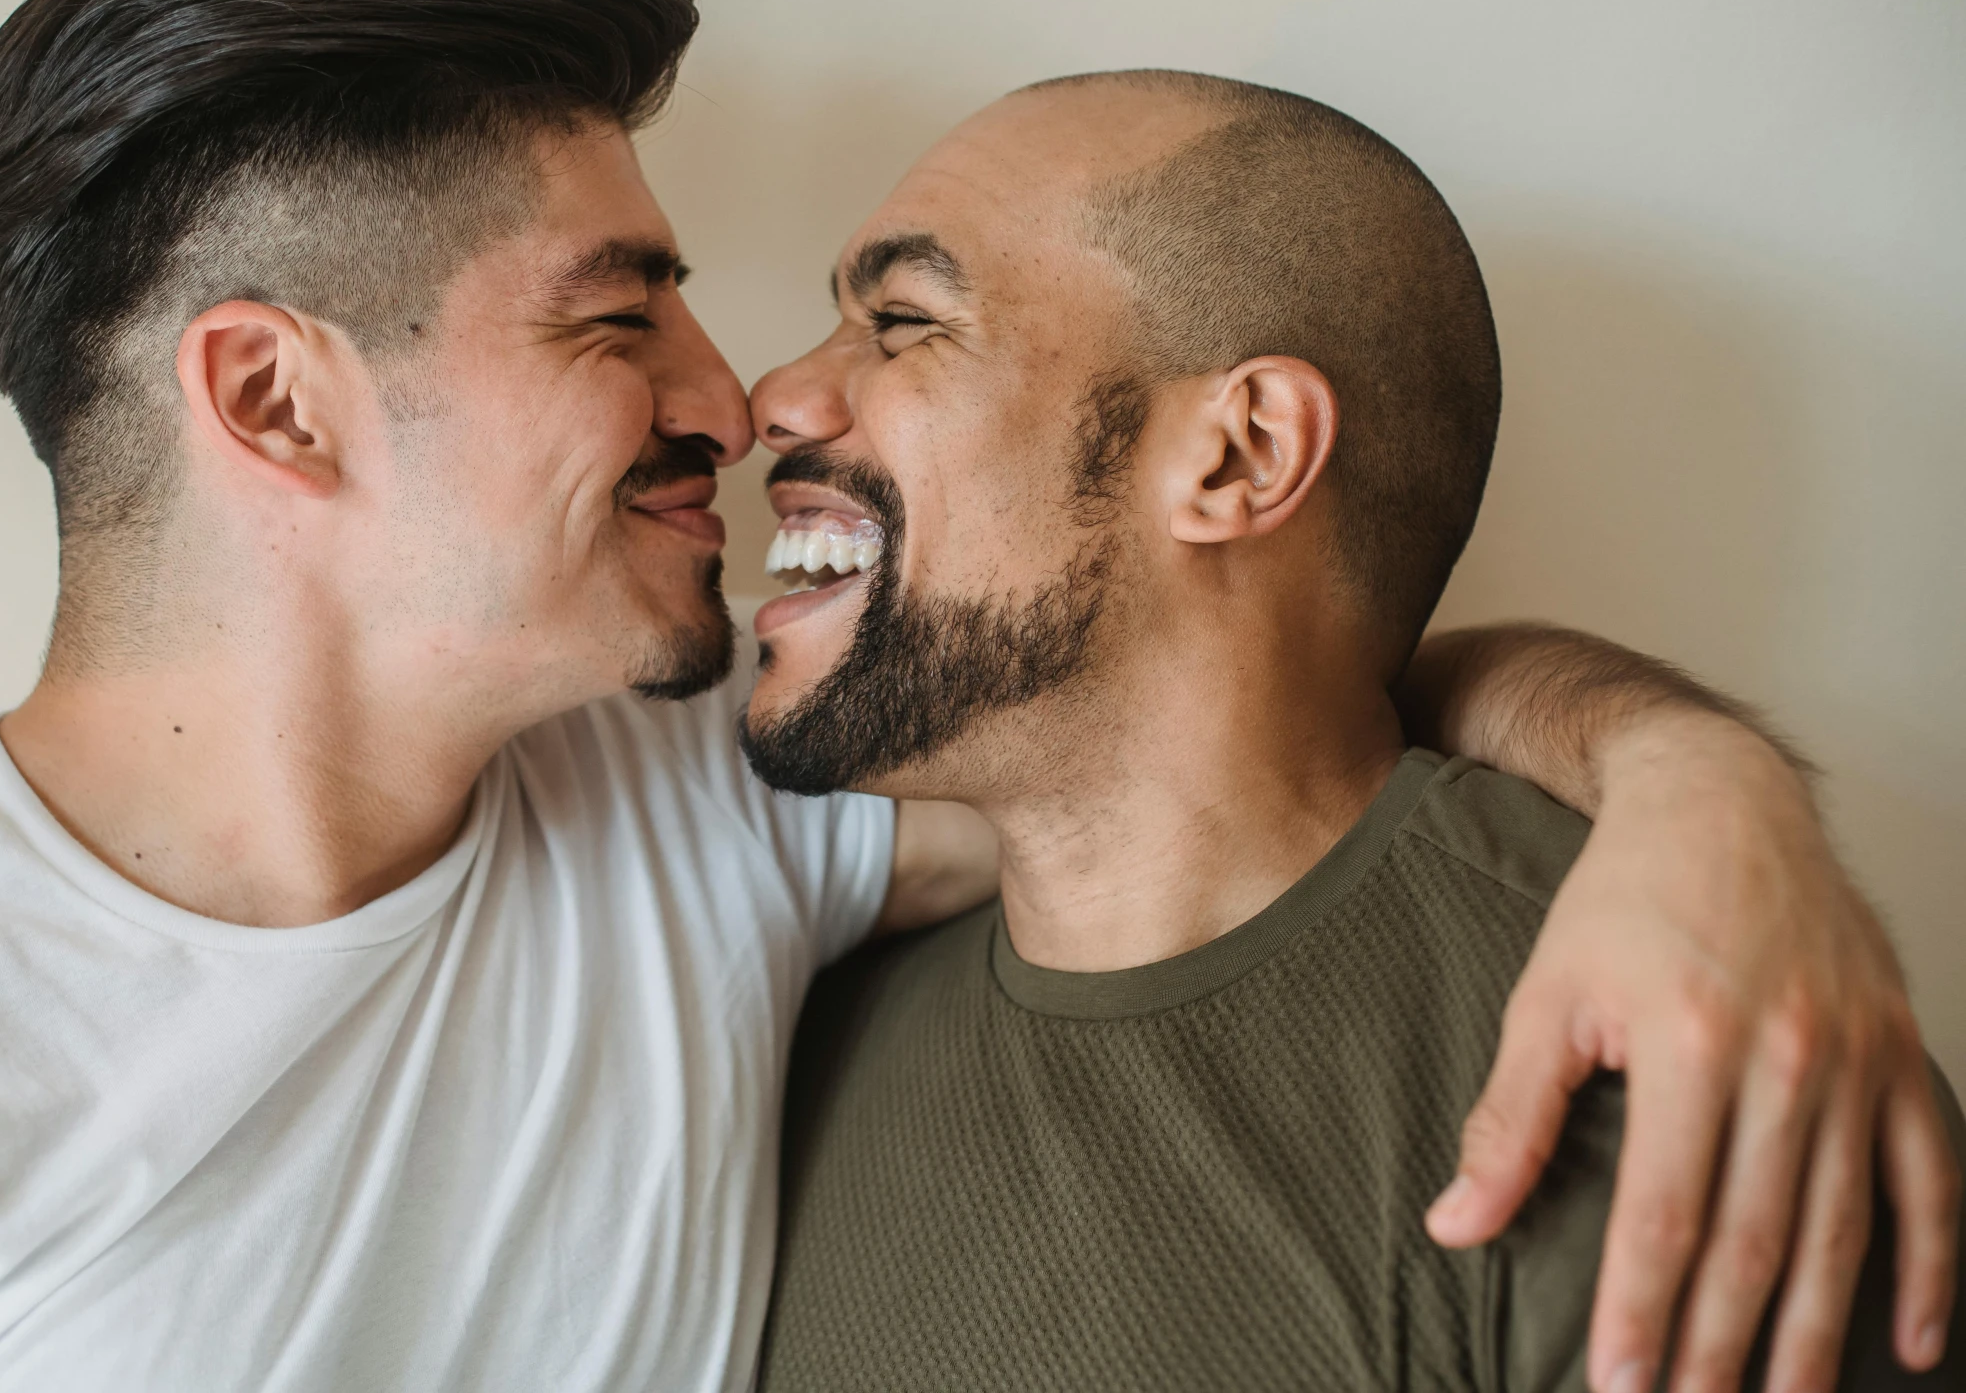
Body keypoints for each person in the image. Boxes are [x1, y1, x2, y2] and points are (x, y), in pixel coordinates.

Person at [0, 0, 1948, 1393]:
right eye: (619, 308)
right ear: (271, 398)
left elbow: (1212, 710)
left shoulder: (720, 821)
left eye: (856, 321)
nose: (740, 408)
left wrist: (1691, 788)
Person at [746, 71, 1964, 1393]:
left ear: (1237, 456)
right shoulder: (787, 1001)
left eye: (904, 321)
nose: (776, 395)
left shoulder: (1665, 1048)